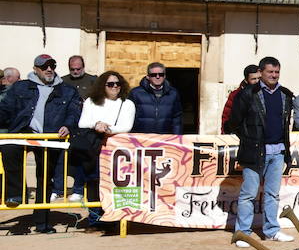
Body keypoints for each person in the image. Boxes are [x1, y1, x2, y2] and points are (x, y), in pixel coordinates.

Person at [0, 54, 82, 230]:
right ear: (35, 69)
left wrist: (68, 125)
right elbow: (5, 110)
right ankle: (15, 195)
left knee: (45, 178)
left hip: (49, 136)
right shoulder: (20, 87)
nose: (49, 69)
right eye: (44, 66)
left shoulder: (67, 90)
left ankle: (42, 223)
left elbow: (74, 112)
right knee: (9, 150)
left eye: (52, 65)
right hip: (23, 132)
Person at [228, 56, 294, 244]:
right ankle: (243, 233)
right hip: (255, 151)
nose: (274, 75)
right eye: (270, 72)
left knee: (273, 194)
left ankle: (272, 231)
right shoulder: (248, 94)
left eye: (276, 72)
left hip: (278, 151)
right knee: (248, 194)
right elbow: (234, 122)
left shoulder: (285, 94)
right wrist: (250, 139)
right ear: (261, 72)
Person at [72, 70, 134, 226]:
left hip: (117, 151)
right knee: (93, 182)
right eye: (110, 84)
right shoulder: (91, 102)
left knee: (114, 184)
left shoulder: (127, 103)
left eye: (117, 84)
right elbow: (82, 123)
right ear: (103, 86)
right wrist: (96, 124)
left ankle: (114, 218)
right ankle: (94, 217)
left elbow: (126, 126)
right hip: (94, 148)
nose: (115, 87)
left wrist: (107, 129)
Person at [129, 61, 182, 135]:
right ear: (148, 77)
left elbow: (177, 119)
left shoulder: (173, 93)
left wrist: (177, 137)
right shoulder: (136, 93)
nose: (157, 77)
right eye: (154, 75)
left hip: (165, 138)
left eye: (161, 74)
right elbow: (129, 117)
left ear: (165, 76)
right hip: (141, 138)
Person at [221, 64, 260, 134]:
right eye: (253, 79)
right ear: (246, 80)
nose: (257, 81)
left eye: (259, 78)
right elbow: (226, 115)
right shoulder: (235, 95)